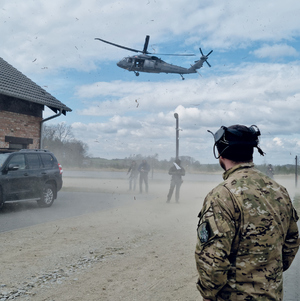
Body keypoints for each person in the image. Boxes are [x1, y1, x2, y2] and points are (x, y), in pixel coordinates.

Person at [195, 124, 300, 301]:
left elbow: (213, 262)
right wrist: (267, 273)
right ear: (251, 152)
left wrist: (208, 294)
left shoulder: (221, 196)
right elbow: (291, 241)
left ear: (221, 155)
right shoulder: (279, 190)